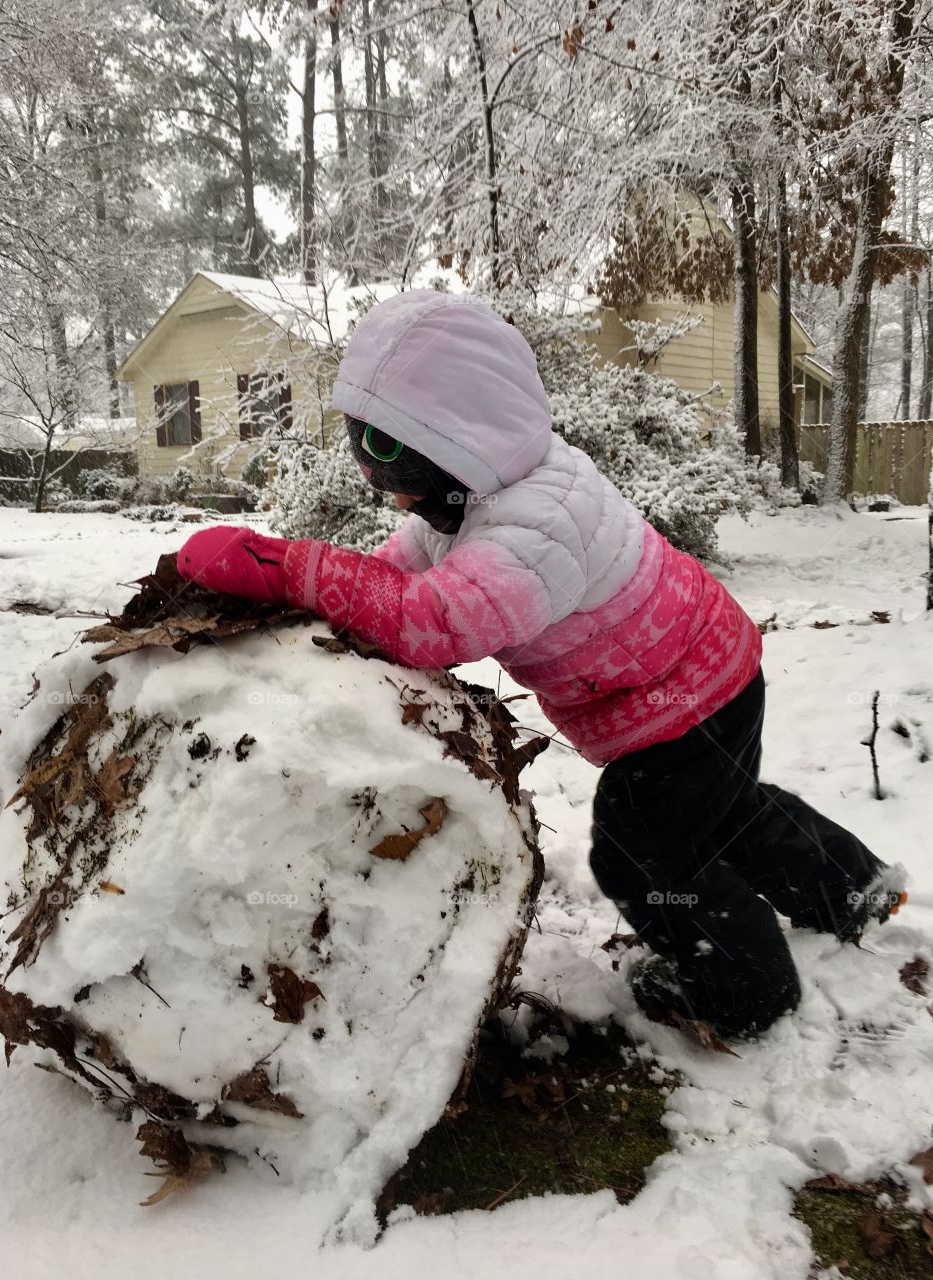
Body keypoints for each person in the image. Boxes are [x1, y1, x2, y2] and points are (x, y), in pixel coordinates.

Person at [176, 290, 907, 1040]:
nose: (372, 477)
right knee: (719, 815)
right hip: (706, 675)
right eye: (361, 443)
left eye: (388, 452)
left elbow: (434, 622)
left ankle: (747, 991)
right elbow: (397, 581)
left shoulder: (535, 528)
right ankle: (846, 887)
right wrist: (321, 592)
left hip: (684, 701)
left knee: (645, 857)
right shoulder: (470, 498)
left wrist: (286, 567)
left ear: (459, 438)